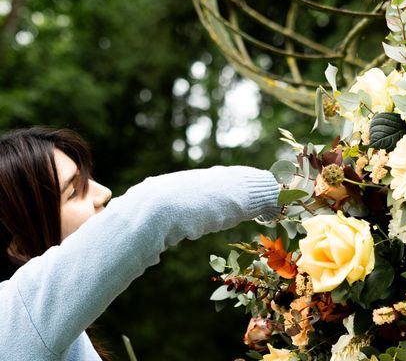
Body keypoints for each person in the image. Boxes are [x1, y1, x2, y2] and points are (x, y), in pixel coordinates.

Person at [0, 127, 281, 360]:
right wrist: (283, 191)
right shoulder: (12, 318)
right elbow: (157, 206)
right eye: (74, 191)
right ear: (18, 247)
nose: (104, 193)